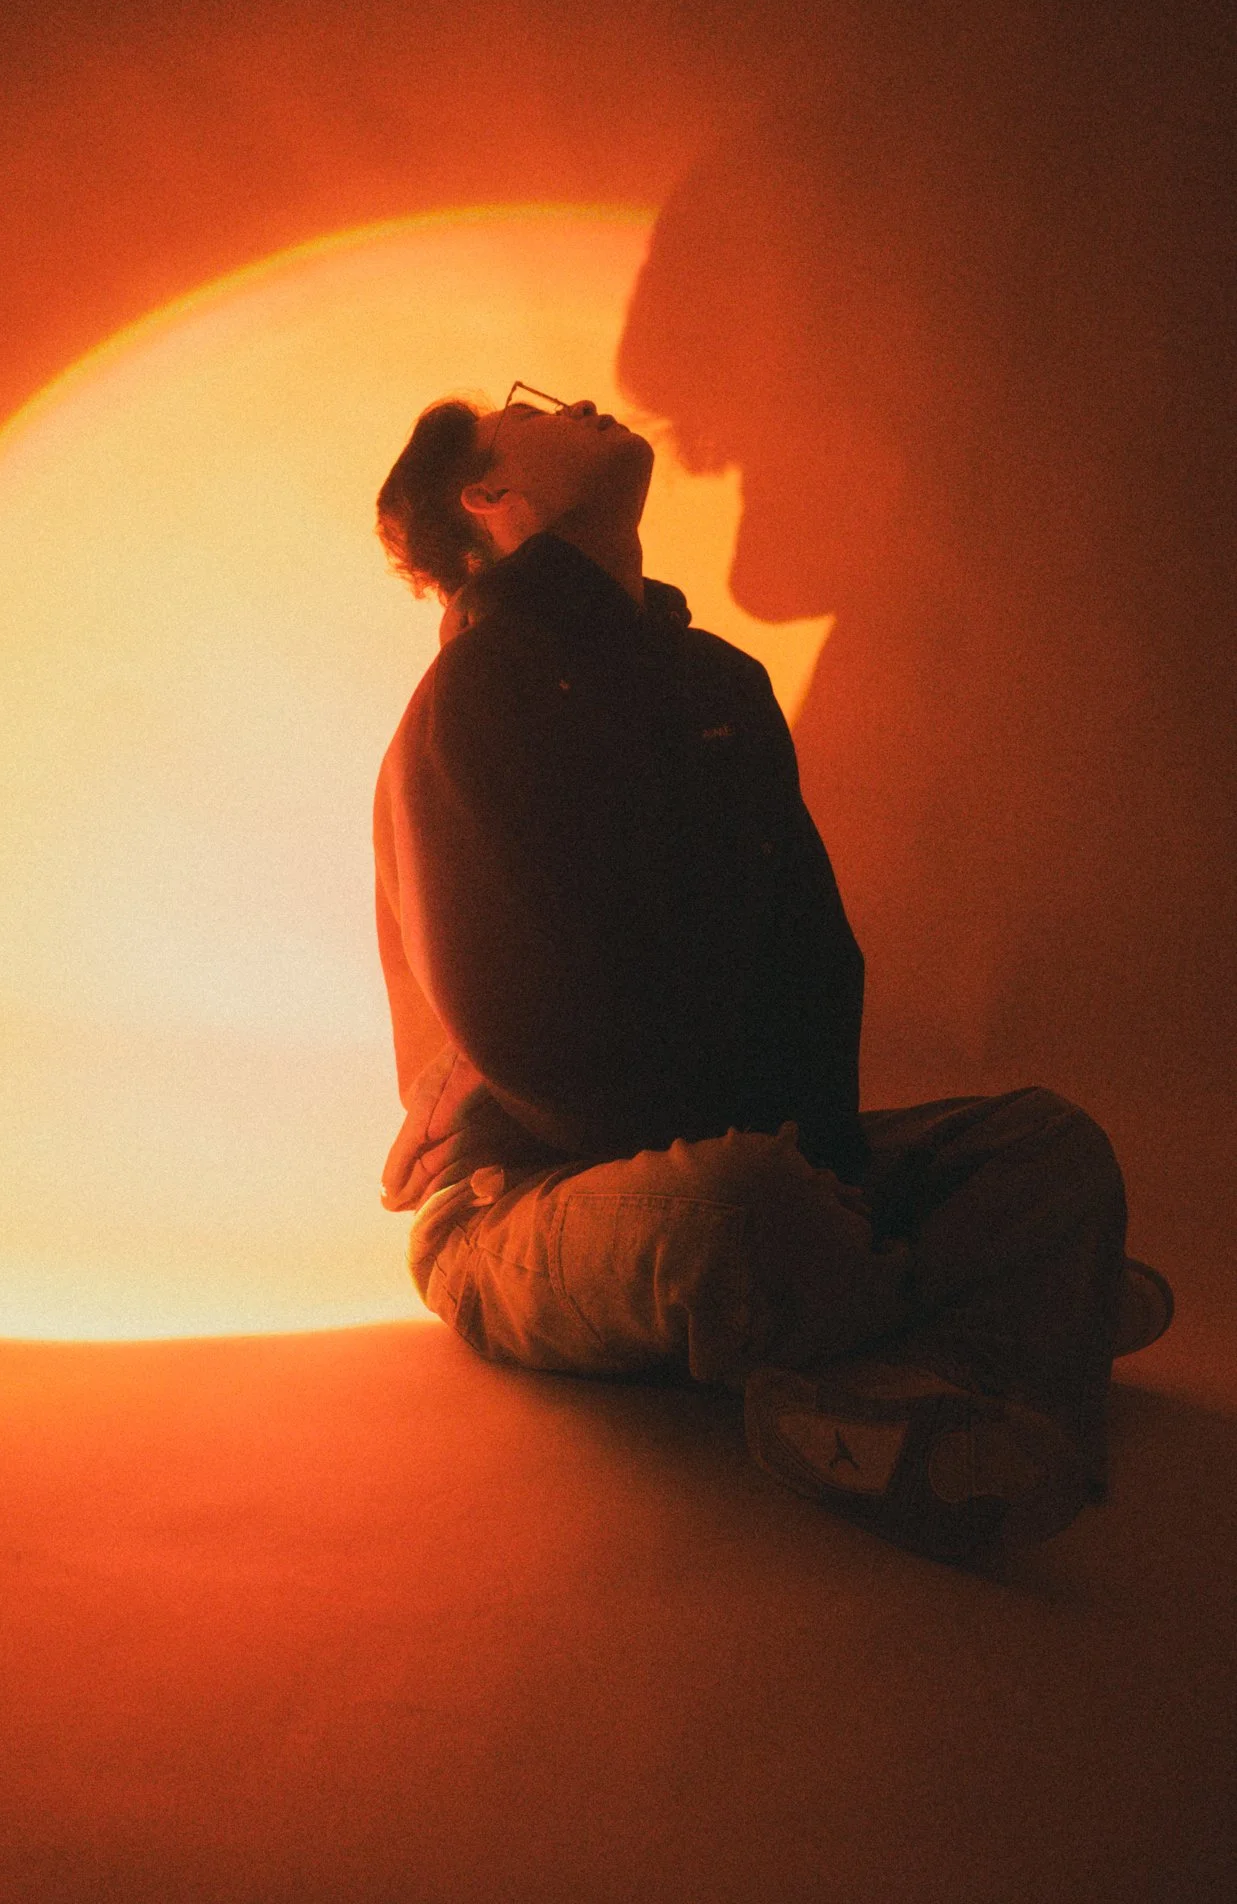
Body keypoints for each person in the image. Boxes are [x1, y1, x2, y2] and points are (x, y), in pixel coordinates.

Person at [371, 382, 1173, 1565]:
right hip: (530, 1198)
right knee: (742, 1212)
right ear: (487, 496)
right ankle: (1007, 1320)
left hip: (755, 1155)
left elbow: (813, 969)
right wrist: (793, 1185)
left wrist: (831, 1164)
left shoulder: (720, 683)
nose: (578, 397)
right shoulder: (474, 696)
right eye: (524, 410)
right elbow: (532, 1034)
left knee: (1048, 1145)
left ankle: (944, 1340)